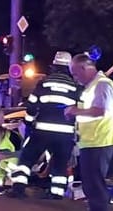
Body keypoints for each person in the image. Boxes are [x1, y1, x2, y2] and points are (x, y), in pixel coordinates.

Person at [65, 53, 113, 211]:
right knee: (91, 189)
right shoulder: (92, 87)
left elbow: (99, 111)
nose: (75, 77)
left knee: (96, 190)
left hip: (99, 142)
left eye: (75, 73)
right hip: (91, 143)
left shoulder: (103, 85)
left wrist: (74, 111)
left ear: (84, 68)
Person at [9, 51, 78, 199]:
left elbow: (32, 105)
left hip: (42, 131)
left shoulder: (45, 83)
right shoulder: (75, 86)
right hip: (65, 134)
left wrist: (28, 123)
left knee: (27, 159)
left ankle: (18, 188)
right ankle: (56, 194)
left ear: (54, 66)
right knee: (60, 164)